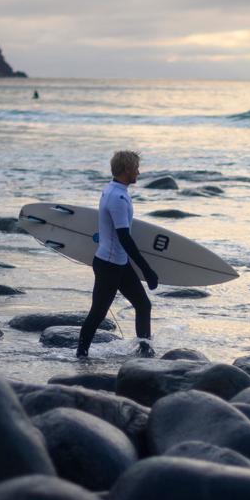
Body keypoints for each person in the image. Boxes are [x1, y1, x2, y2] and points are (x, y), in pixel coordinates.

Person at [76, 150, 158, 357]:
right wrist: (146, 269)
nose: (139, 172)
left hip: (116, 262)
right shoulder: (118, 198)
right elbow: (124, 238)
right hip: (110, 264)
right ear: (127, 170)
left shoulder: (113, 190)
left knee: (143, 305)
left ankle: (145, 351)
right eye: (136, 168)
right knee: (98, 313)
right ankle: (80, 353)